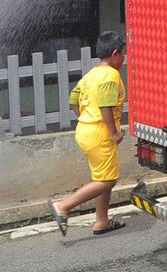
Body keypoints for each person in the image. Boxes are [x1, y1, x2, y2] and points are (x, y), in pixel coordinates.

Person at [47, 31, 127, 236]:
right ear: (115, 53)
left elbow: (73, 99)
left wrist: (85, 117)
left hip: (84, 130)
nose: (124, 58)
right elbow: (105, 105)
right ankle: (63, 206)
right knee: (108, 180)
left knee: (101, 177)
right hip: (99, 133)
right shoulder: (110, 75)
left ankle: (102, 221)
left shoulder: (91, 74)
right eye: (123, 54)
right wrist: (114, 132)